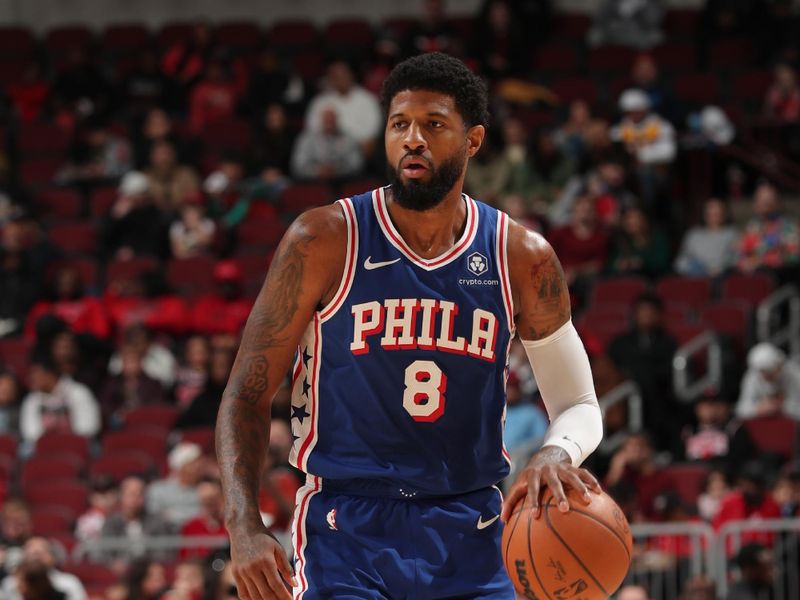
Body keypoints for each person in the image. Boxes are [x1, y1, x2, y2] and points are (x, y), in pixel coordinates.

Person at [217, 52, 603, 599]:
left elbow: (580, 405)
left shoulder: (521, 256)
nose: (413, 139)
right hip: (345, 531)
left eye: (434, 125)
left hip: (471, 531)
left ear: (472, 141)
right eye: (400, 125)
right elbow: (246, 394)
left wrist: (554, 452)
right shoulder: (325, 239)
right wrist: (243, 524)